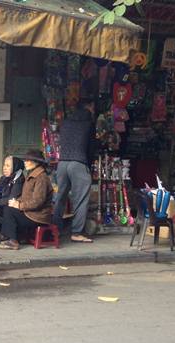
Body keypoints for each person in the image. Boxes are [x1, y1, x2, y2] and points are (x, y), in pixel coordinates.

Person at [53, 98, 97, 243]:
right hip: (79, 162)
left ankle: (55, 229)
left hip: (62, 163)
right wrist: (88, 166)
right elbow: (91, 149)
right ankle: (77, 232)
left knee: (60, 198)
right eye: (92, 107)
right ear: (88, 107)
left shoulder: (65, 123)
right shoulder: (89, 124)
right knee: (81, 199)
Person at [0, 150, 53, 250]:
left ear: (36, 162)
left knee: (9, 211)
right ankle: (10, 236)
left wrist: (19, 205)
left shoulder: (41, 178)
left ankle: (13, 241)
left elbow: (38, 202)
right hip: (31, 212)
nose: (25, 162)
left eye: (28, 160)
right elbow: (26, 196)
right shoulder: (32, 175)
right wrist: (17, 202)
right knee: (8, 207)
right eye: (25, 160)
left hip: (38, 216)